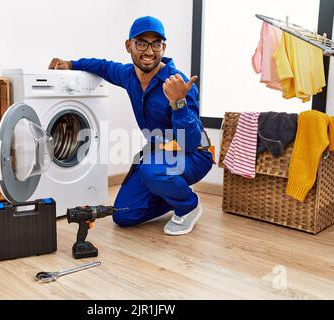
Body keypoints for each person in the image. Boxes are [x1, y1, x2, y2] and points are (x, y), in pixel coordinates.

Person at [49, 16, 213, 235]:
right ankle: (173, 190)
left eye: (156, 44)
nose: (149, 51)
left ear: (164, 47)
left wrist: (178, 103)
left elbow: (191, 142)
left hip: (195, 154)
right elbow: (104, 67)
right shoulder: (129, 75)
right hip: (161, 154)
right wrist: (71, 64)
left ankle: (188, 205)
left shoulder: (178, 84)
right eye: (142, 43)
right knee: (124, 215)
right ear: (129, 46)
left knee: (152, 170)